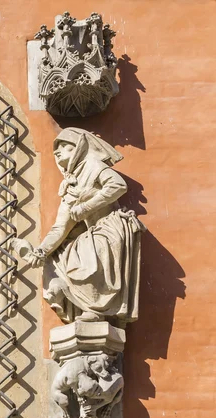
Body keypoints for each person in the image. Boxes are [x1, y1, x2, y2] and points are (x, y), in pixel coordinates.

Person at [20, 128, 145, 326]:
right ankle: (86, 305)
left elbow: (118, 185)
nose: (57, 151)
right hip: (93, 233)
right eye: (55, 149)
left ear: (78, 148)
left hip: (109, 228)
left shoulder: (91, 165)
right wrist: (41, 252)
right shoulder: (69, 188)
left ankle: (95, 308)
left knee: (89, 251)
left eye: (64, 146)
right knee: (58, 257)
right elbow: (60, 228)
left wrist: (86, 207)